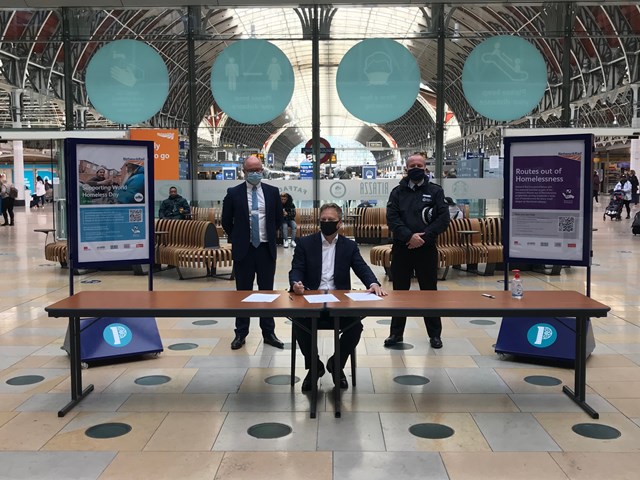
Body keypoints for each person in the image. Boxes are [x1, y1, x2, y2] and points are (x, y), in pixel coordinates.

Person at [289, 203, 386, 392]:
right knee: (299, 323)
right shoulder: (305, 243)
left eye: (330, 220)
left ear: (339, 223)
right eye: (323, 220)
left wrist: (373, 283)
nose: (326, 223)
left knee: (355, 326)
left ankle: (336, 364)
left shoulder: (348, 246)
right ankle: (314, 367)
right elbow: (296, 268)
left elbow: (361, 267)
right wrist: (296, 283)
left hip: (339, 302)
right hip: (311, 298)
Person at [385, 152, 451, 349]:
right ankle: (395, 334)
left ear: (425, 168)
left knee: (429, 293)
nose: (416, 168)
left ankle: (435, 335)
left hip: (426, 249)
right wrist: (409, 237)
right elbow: (392, 218)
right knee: (400, 293)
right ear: (406, 169)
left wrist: (423, 237)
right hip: (402, 249)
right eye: (412, 165)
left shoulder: (436, 191)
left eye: (419, 165)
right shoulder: (397, 192)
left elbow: (443, 219)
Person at [222, 155, 284, 350]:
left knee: (267, 292)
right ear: (244, 172)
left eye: (258, 169)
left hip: (266, 249)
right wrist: (239, 237)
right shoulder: (233, 193)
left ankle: (269, 333)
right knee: (243, 293)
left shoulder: (272, 192)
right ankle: (240, 333)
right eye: (251, 170)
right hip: (244, 251)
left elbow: (278, 218)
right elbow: (226, 220)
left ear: (262, 169)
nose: (255, 173)